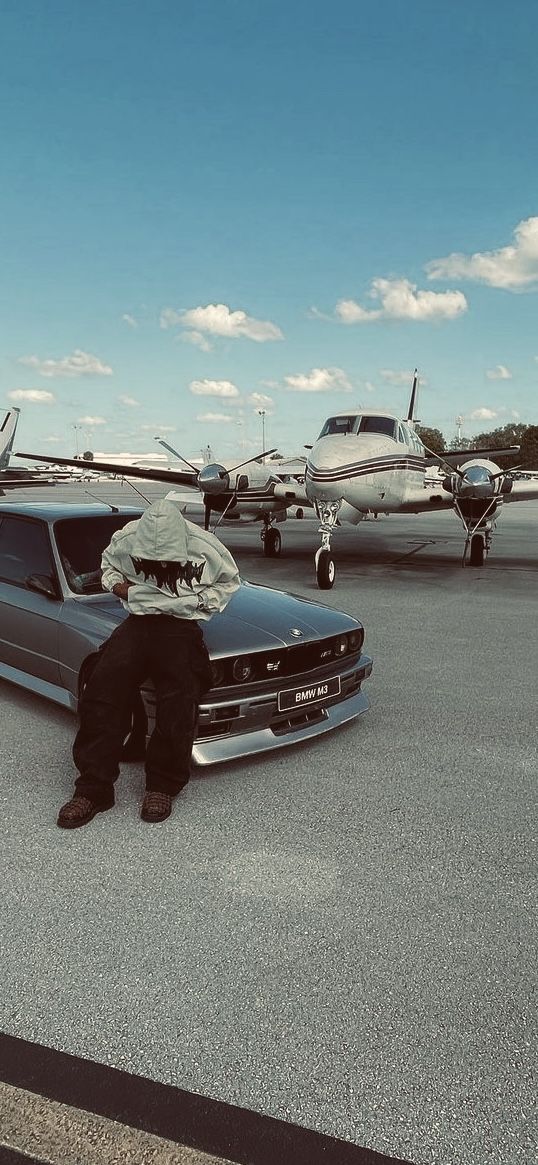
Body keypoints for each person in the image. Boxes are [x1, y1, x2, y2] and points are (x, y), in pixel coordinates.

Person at [57, 499, 240, 828]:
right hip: (138, 624)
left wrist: (197, 602)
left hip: (180, 627)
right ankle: (94, 788)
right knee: (101, 690)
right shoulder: (126, 539)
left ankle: (162, 786)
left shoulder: (206, 548)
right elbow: (109, 569)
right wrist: (121, 588)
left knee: (179, 698)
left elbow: (228, 582)